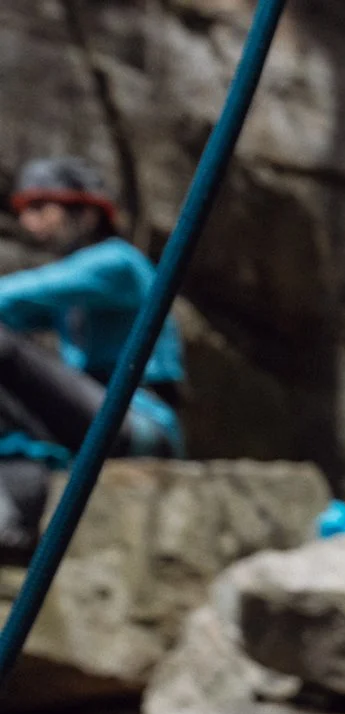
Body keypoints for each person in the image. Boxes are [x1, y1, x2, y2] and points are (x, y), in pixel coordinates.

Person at [0, 157, 186, 555]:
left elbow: (13, 297)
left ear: (85, 214)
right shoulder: (80, 284)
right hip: (90, 420)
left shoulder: (118, 264)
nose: (30, 222)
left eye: (40, 208)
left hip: (138, 421)